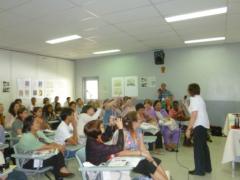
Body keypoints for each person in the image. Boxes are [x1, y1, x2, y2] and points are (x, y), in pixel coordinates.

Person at [113, 111, 168, 180]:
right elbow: (118, 153)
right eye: (139, 119)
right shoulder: (122, 133)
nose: (141, 120)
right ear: (133, 121)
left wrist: (150, 159)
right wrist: (140, 153)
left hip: (138, 158)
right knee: (148, 165)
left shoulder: (138, 130)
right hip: (127, 160)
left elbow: (142, 148)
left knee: (156, 161)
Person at [18, 115, 74, 179]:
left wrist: (59, 146)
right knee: (56, 158)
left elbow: (50, 141)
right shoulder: (27, 136)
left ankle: (61, 170)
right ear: (30, 125)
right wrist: (58, 147)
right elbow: (44, 147)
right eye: (37, 123)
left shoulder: (38, 132)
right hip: (28, 162)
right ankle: (62, 169)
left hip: (39, 156)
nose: (39, 124)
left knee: (56, 157)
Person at [186, 83, 212, 176]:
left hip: (199, 125)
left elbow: (194, 115)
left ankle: (199, 170)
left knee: (198, 149)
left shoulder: (193, 99)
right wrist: (186, 104)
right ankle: (207, 168)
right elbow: (192, 111)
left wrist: (188, 129)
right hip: (204, 125)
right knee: (204, 147)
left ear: (190, 91)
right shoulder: (199, 98)